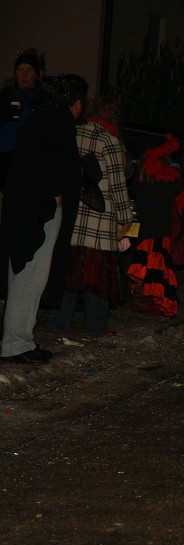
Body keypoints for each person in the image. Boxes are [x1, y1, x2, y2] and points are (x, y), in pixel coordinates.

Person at [0, 74, 87, 364]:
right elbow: (46, 161)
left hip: (29, 209)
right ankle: (15, 344)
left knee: (26, 276)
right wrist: (55, 194)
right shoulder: (57, 119)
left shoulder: (41, 115)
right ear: (76, 104)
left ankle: (21, 339)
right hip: (40, 212)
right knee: (29, 276)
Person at [45, 95, 133, 336]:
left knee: (68, 273)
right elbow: (117, 185)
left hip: (71, 217)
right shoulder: (110, 140)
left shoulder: (73, 133)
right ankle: (95, 328)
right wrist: (127, 218)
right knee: (98, 279)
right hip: (100, 220)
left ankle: (56, 324)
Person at [126, 134, 184, 317]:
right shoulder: (169, 175)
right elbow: (179, 193)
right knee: (156, 265)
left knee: (145, 263)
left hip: (146, 224)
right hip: (161, 226)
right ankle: (155, 299)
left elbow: (135, 190)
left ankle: (141, 297)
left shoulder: (142, 172)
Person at [0, 48, 46, 190]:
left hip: (33, 165)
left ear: (37, 75)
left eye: (29, 70)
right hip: (5, 163)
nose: (24, 75)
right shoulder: (4, 97)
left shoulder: (44, 100)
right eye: (20, 69)